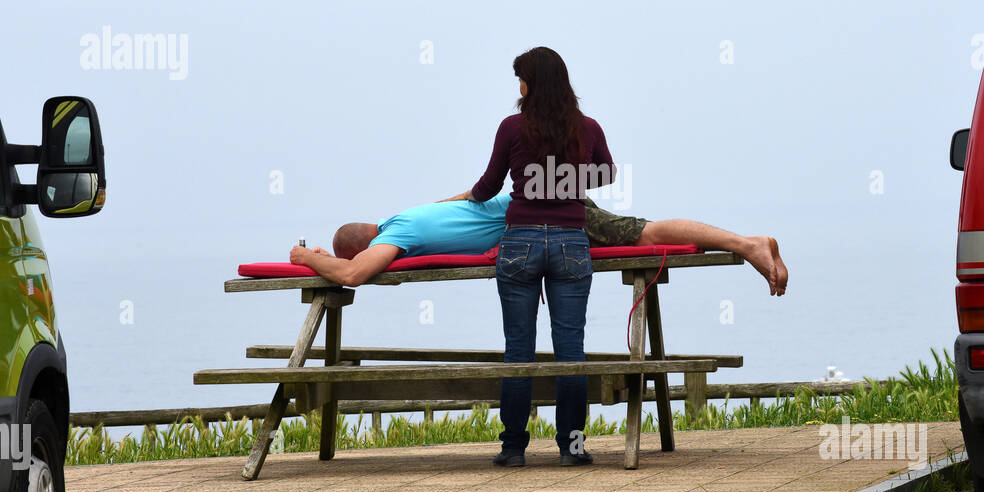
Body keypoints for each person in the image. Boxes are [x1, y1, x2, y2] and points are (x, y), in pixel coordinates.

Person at [449, 46, 612, 467]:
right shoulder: (588, 127)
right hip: (571, 243)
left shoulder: (511, 127)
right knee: (571, 349)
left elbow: (487, 187)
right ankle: (572, 449)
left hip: (519, 242)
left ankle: (514, 449)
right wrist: (566, 180)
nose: (517, 86)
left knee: (518, 349)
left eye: (520, 78)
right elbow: (607, 173)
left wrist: (456, 203)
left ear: (531, 83)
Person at [293, 193, 789, 295]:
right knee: (646, 229)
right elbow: (470, 194)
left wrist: (305, 259)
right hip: (536, 205)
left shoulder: (395, 235)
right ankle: (747, 241)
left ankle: (746, 243)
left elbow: (356, 275)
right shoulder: (406, 214)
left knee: (649, 233)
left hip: (547, 215)